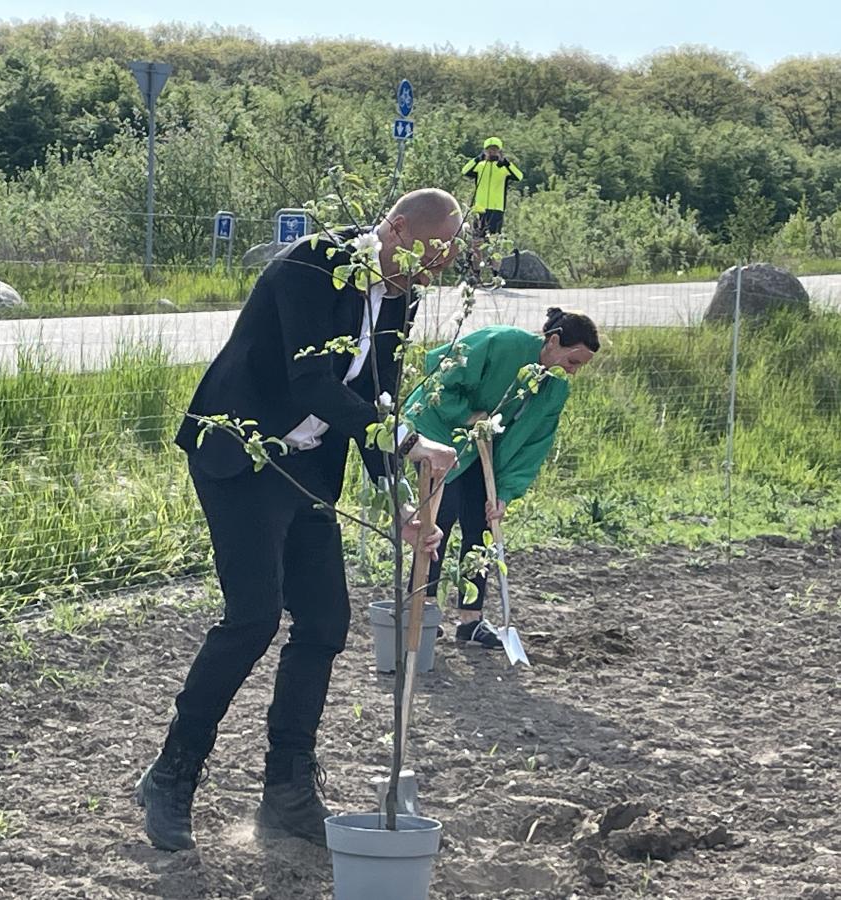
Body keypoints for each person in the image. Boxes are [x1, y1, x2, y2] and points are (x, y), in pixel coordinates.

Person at [136, 189, 464, 852]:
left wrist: (400, 501)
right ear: (398, 229)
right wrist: (409, 442)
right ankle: (172, 775)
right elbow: (314, 384)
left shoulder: (403, 295)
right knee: (254, 617)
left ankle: (287, 790)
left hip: (310, 467)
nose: (440, 266)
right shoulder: (313, 264)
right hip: (242, 457)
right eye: (435, 250)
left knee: (323, 623)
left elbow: (375, 398)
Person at [403, 308, 600, 648]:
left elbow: (534, 445)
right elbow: (440, 371)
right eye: (573, 360)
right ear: (553, 342)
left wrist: (506, 492)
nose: (573, 371)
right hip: (439, 435)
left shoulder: (553, 389)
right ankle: (422, 610)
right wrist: (466, 414)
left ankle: (471, 621)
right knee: (437, 522)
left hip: (485, 452)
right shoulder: (500, 342)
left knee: (482, 527)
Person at [461, 137, 524, 238]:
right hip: (480, 208)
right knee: (477, 237)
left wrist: (507, 163)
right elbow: (464, 171)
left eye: (495, 149)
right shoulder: (480, 166)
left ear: (499, 151)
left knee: (494, 238)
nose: (492, 152)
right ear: (485, 151)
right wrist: (477, 159)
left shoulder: (504, 168)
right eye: (489, 149)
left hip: (497, 208)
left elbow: (519, 176)